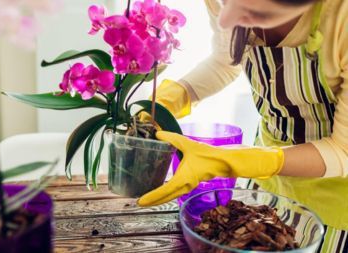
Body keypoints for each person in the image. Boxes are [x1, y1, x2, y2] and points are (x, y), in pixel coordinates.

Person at [137, 0, 348, 252]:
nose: (225, 18)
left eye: (252, 10)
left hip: (335, 204)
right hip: (268, 187)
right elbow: (225, 60)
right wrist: (171, 98)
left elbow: (343, 151)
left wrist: (240, 160)